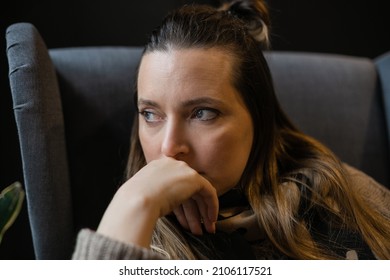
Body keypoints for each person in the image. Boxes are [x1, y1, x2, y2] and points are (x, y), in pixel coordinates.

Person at [72, 0, 390, 260]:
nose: (169, 148)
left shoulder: (347, 196)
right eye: (151, 114)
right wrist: (135, 202)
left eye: (203, 113)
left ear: (258, 119)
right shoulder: (130, 226)